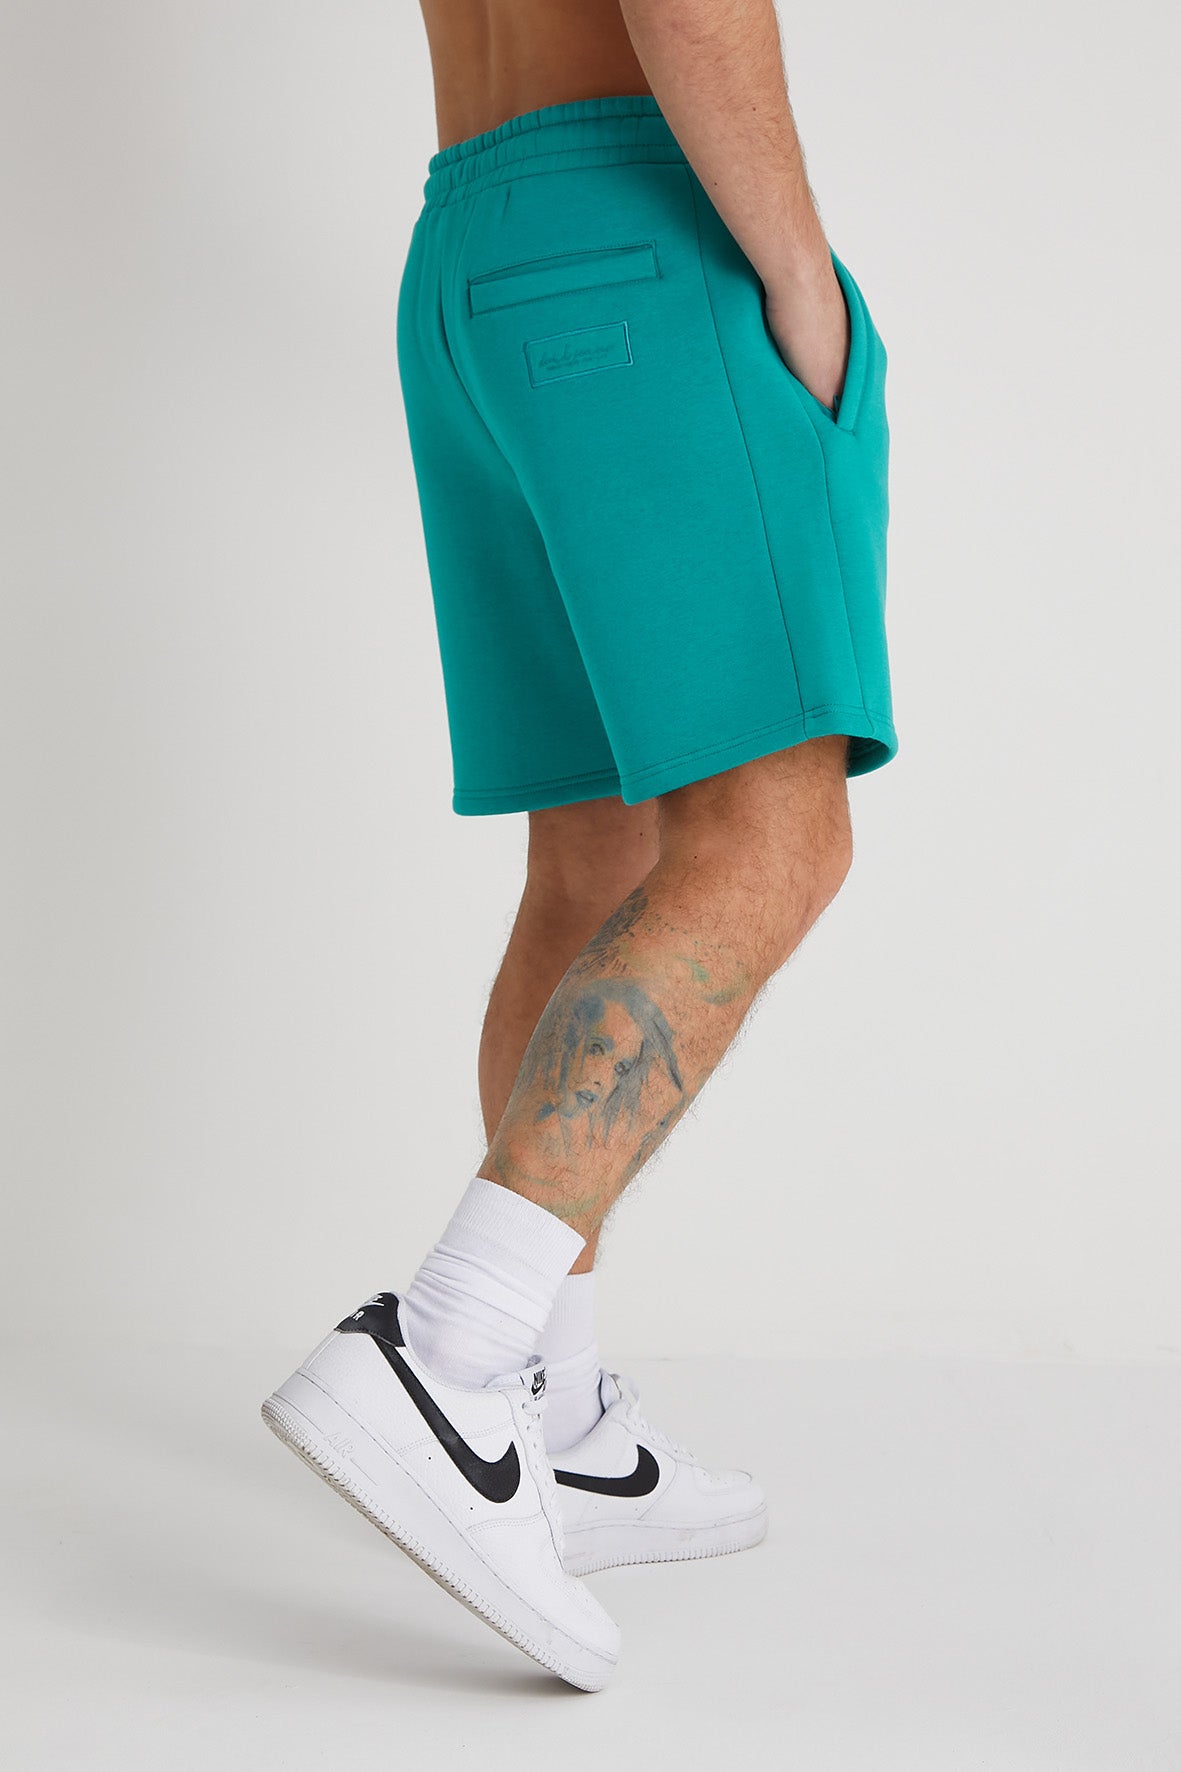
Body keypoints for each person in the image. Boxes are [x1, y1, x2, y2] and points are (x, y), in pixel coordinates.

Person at [262, 0, 897, 1692]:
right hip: (640, 232)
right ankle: (448, 1354)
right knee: (775, 838)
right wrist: (796, 274)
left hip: (473, 240)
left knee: (595, 858)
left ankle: (555, 1425)